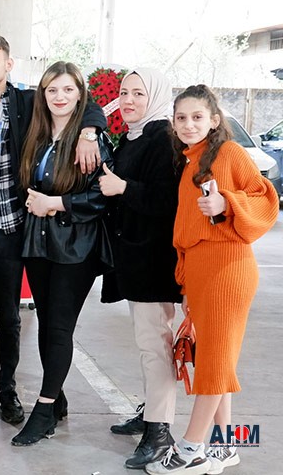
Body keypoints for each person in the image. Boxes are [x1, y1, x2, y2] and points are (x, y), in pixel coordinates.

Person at [0, 31, 106, 424]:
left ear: (8, 63)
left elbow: (82, 103)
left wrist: (89, 132)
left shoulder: (26, 102)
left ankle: (8, 390)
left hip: (13, 227)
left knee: (9, 318)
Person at [145, 85, 278, 475]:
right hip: (203, 273)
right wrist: (187, 286)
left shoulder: (230, 153)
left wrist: (227, 204)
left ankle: (192, 449)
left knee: (214, 363)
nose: (188, 124)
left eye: (197, 117)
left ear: (214, 120)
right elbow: (187, 229)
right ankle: (226, 445)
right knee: (215, 358)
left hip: (227, 269)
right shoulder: (192, 161)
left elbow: (265, 199)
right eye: (181, 118)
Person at [12, 61, 114, 446]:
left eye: (68, 90)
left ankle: (43, 410)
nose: (60, 97)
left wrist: (56, 203)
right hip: (38, 244)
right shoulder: (36, 134)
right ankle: (58, 398)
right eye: (52, 90)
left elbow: (102, 195)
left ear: (80, 95)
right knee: (46, 324)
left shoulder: (91, 140)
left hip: (76, 247)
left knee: (59, 327)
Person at [98, 68, 181, 469]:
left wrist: (124, 188)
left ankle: (159, 431)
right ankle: (152, 411)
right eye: (124, 92)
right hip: (137, 258)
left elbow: (169, 202)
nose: (128, 100)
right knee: (149, 344)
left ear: (157, 97)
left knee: (156, 348)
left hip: (155, 262)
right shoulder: (136, 136)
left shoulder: (163, 139)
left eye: (138, 94)